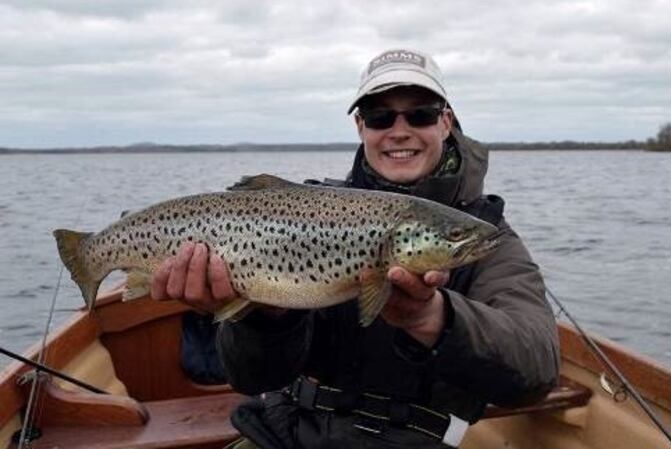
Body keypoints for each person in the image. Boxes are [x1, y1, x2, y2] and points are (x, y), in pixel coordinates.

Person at [151, 48, 559, 448]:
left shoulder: (487, 238)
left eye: (420, 114)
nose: (399, 130)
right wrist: (265, 316)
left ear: (446, 123)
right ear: (361, 126)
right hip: (283, 432)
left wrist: (433, 318)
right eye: (381, 117)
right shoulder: (311, 211)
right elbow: (253, 379)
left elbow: (536, 370)